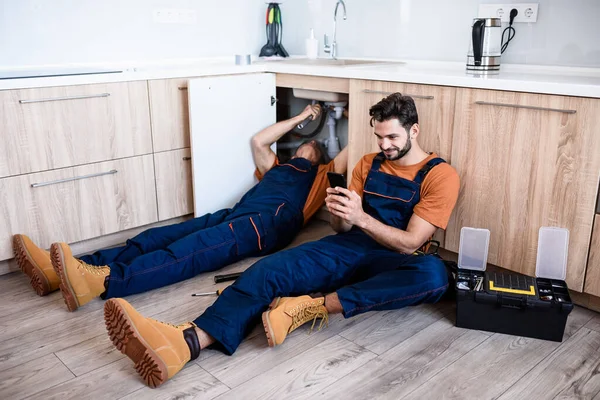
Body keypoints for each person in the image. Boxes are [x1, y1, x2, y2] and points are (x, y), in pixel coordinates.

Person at [102, 92, 460, 389]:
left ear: (414, 131)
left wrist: (361, 216)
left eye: (393, 138)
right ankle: (187, 342)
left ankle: (314, 307)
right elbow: (341, 230)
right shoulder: (368, 163)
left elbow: (410, 242)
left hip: (395, 257)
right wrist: (340, 212)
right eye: (379, 136)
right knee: (267, 271)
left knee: (433, 276)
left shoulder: (440, 175)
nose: (384, 145)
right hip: (351, 246)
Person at [12, 103, 348, 312]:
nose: (310, 144)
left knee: (186, 252)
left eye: (316, 145)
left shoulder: (320, 177)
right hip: (235, 215)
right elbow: (258, 140)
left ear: (322, 157)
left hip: (261, 228)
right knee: (159, 237)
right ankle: (64, 269)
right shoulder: (275, 165)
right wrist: (303, 116)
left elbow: (350, 150)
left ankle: (101, 282)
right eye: (306, 141)